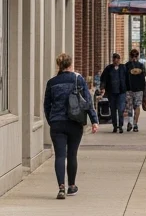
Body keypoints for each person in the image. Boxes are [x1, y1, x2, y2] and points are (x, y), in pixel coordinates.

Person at [44, 53, 98, 199]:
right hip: (74, 122)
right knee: (72, 154)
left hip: (57, 123)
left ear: (59, 65)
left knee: (60, 155)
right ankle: (71, 186)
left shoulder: (51, 82)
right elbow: (87, 101)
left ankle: (61, 187)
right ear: (70, 64)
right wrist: (94, 120)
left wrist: (51, 120)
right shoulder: (77, 79)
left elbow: (47, 105)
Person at [99, 52, 128, 133]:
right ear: (112, 60)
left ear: (119, 60)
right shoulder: (108, 68)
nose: (116, 61)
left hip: (121, 92)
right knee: (113, 109)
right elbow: (103, 79)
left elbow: (127, 78)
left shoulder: (123, 68)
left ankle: (120, 126)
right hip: (111, 92)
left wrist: (128, 88)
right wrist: (102, 87)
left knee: (121, 109)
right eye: (114, 60)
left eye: (117, 60)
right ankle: (115, 126)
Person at [123, 48, 146, 132]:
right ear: (138, 56)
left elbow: (123, 78)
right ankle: (135, 124)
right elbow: (144, 77)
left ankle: (129, 122)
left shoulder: (126, 66)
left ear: (130, 56)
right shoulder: (141, 66)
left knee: (129, 106)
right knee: (137, 106)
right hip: (139, 89)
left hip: (129, 88)